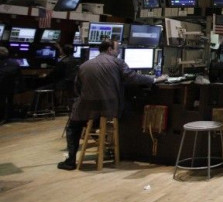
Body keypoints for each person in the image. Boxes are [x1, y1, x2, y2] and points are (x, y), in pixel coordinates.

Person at [58, 39, 168, 170]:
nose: (119, 52)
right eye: (117, 49)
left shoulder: (84, 65)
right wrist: (155, 79)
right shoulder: (117, 63)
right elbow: (133, 78)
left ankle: (71, 160)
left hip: (85, 110)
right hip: (110, 109)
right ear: (110, 50)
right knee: (133, 111)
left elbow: (77, 89)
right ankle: (120, 149)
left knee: (73, 127)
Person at [0, 46, 21, 124]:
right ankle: (8, 116)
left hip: (2, 88)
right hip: (11, 87)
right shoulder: (15, 63)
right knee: (9, 100)